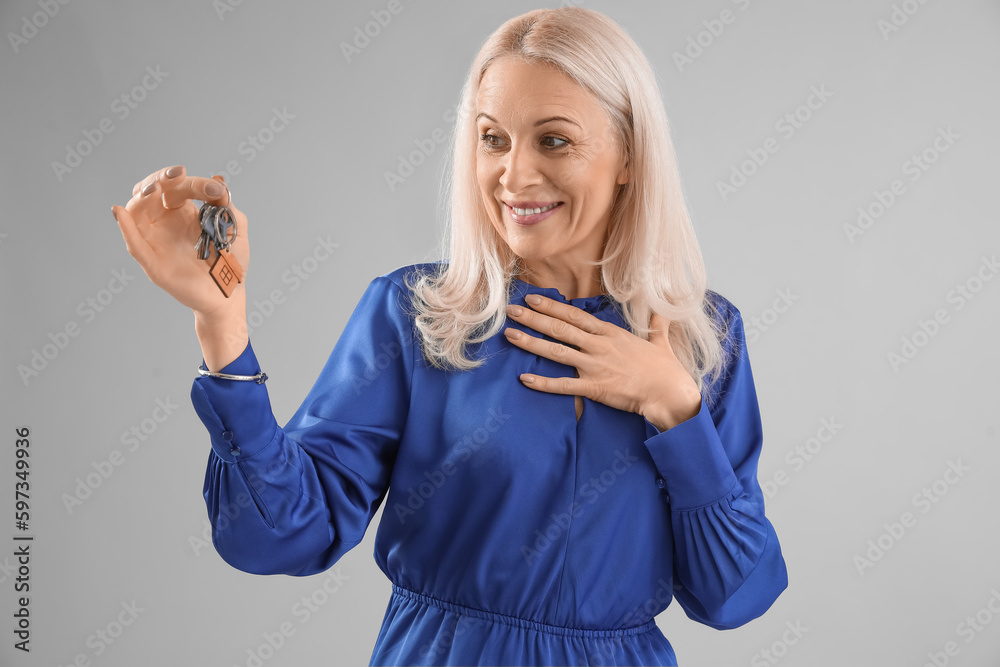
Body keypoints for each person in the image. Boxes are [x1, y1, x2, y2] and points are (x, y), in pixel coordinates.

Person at [112, 6, 787, 666]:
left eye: (553, 139)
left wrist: (678, 409)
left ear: (630, 156)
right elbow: (275, 534)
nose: (514, 175)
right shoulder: (416, 317)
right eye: (493, 138)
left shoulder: (704, 339)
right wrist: (222, 324)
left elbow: (735, 594)